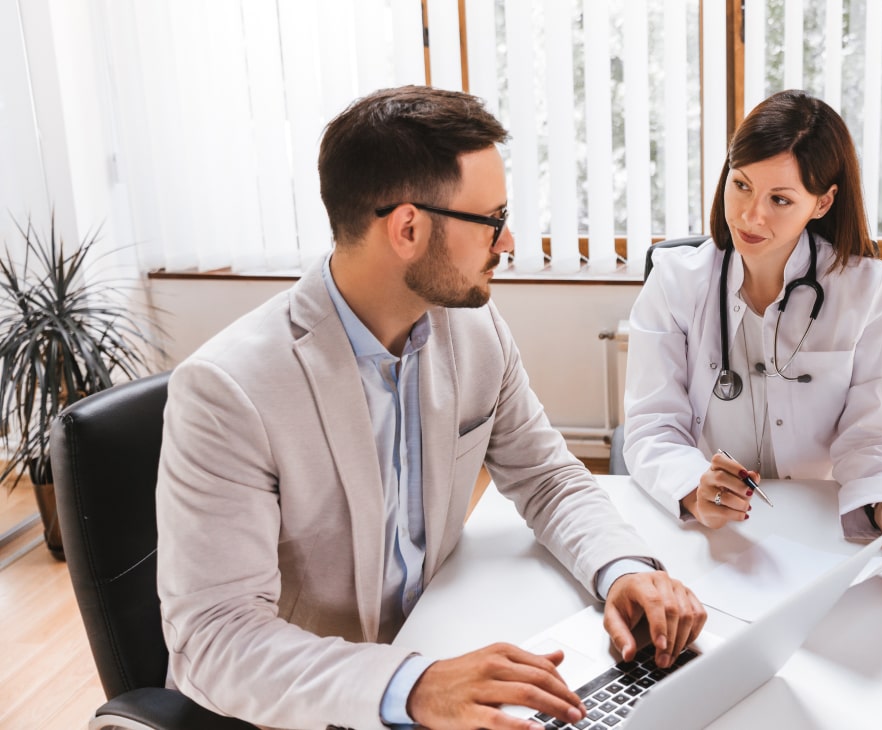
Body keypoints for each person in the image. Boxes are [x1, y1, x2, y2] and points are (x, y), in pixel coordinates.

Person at [156, 86, 706, 730]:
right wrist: (414, 685)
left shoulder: (473, 329)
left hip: (443, 644)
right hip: (320, 703)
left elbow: (547, 477)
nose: (508, 241)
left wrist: (621, 569)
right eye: (493, 220)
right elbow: (216, 641)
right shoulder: (229, 391)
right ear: (409, 228)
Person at [623, 89, 882, 570]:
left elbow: (870, 436)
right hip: (713, 536)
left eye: (780, 199)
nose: (752, 216)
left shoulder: (867, 290)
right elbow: (653, 426)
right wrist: (692, 486)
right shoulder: (675, 282)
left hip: (818, 528)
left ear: (822, 203)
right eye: (742, 185)